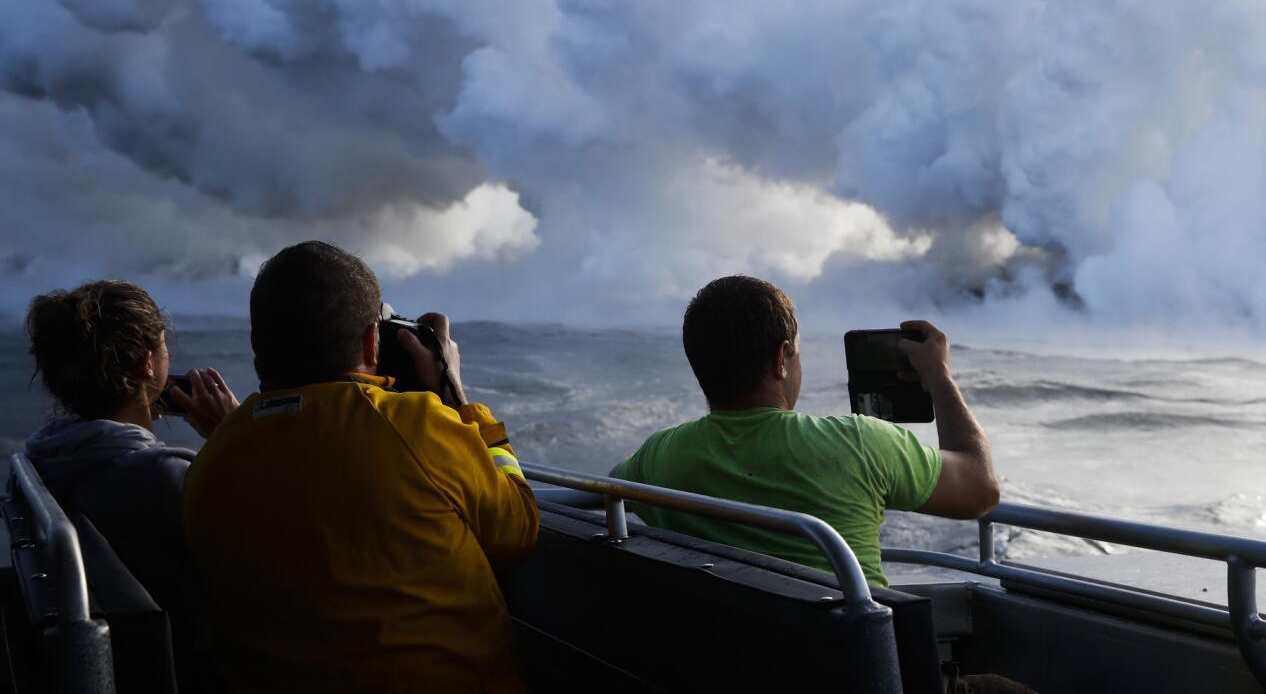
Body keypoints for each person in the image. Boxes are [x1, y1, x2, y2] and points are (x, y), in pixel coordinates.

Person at [183, 241, 538, 694]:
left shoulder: (210, 464)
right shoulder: (417, 426)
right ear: (374, 341)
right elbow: (518, 531)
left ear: (257, 344)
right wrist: (455, 395)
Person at [612, 275, 1000, 587]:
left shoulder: (658, 457)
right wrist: (938, 376)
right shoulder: (860, 442)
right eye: (796, 351)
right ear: (782, 359)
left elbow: (589, 500)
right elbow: (980, 489)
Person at [23, 279, 239, 611]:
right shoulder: (163, 476)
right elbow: (272, 543)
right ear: (146, 363)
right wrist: (233, 435)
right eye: (163, 346)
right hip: (185, 654)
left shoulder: (41, 459)